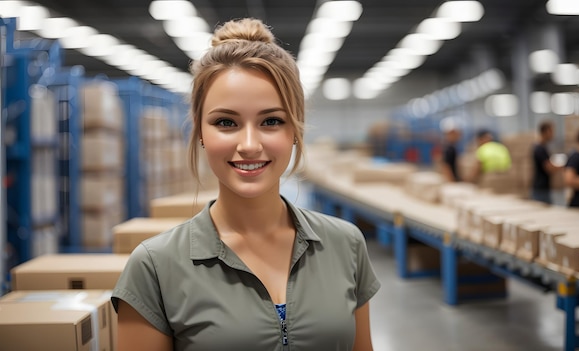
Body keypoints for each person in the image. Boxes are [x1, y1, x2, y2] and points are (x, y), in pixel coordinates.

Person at [111, 19, 380, 351]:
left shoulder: (345, 245)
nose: (250, 144)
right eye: (226, 122)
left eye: (271, 121)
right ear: (200, 132)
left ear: (295, 129)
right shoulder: (155, 266)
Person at [531, 121, 562, 204]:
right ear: (545, 132)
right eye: (551, 131)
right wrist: (563, 166)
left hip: (544, 188)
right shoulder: (540, 149)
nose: (553, 134)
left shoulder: (543, 147)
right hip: (541, 190)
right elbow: (549, 168)